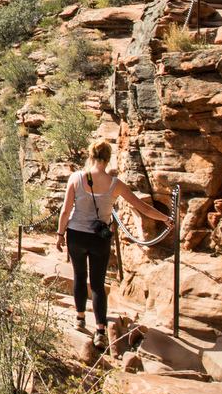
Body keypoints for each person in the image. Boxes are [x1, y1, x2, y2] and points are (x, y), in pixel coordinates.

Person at [55, 140, 172, 347]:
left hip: (77, 234)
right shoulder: (115, 184)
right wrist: (165, 218)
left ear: (91, 155)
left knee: (80, 277)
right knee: (98, 284)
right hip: (100, 238)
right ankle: (100, 331)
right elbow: (141, 207)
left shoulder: (76, 178)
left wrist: (60, 234)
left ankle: (80, 319)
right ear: (108, 158)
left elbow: (65, 211)